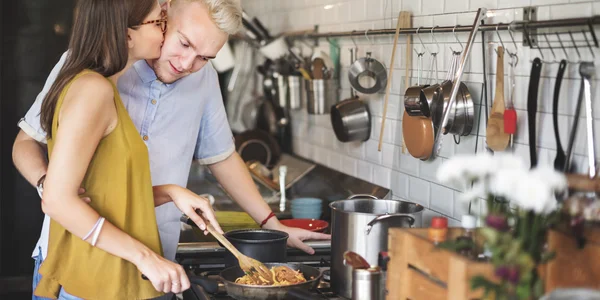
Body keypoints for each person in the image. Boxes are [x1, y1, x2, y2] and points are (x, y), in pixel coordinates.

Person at [14, 0, 330, 295]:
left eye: (206, 57)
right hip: (82, 259)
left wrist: (272, 225)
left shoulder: (202, 78)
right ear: (163, 19)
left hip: (153, 265)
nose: (187, 64)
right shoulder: (94, 72)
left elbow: (222, 157)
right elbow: (27, 143)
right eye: (184, 43)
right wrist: (49, 185)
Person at [28, 0, 221, 299]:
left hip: (106, 277)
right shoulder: (94, 90)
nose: (164, 31)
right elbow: (57, 201)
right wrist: (147, 258)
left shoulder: (102, 87)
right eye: (158, 23)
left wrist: (170, 191)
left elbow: (106, 192)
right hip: (91, 281)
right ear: (127, 34)